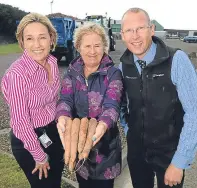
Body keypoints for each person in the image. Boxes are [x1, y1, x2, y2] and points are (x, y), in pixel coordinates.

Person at [119, 7, 197, 188]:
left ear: (152, 29)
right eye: (129, 30)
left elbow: (193, 113)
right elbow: (122, 106)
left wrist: (180, 161)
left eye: (140, 28)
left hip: (169, 153)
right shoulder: (124, 67)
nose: (135, 36)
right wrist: (129, 131)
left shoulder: (176, 60)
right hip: (137, 154)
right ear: (122, 35)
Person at [56, 22, 123, 188]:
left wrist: (101, 126)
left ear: (104, 47)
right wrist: (62, 117)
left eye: (97, 46)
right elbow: (65, 100)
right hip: (79, 147)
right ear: (78, 47)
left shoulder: (113, 73)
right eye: (87, 46)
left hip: (106, 151)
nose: (92, 51)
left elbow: (112, 106)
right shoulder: (72, 72)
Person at [1, 13, 64, 188]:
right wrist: (39, 155)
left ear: (51, 38)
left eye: (42, 37)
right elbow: (20, 122)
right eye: (29, 38)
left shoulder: (51, 63)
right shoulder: (17, 75)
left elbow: (53, 100)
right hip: (28, 140)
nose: (36, 45)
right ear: (22, 42)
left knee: (55, 182)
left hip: (52, 132)